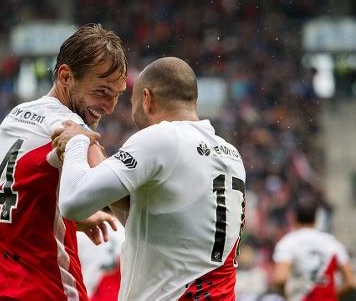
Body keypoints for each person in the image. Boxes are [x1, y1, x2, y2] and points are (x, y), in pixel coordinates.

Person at [53, 57, 247, 300]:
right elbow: (151, 219)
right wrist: (98, 159)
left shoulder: (162, 137)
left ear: (147, 98)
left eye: (132, 102)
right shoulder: (230, 155)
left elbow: (73, 203)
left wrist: (77, 141)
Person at [0, 23, 127, 300]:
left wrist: (71, 219)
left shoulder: (16, 116)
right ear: (65, 76)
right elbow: (118, 187)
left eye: (117, 95)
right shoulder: (69, 125)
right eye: (101, 92)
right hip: (40, 288)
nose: (110, 107)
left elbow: (22, 187)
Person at [273, 198, 356, 301]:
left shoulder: (287, 243)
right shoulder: (333, 243)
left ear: (294, 218)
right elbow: (351, 282)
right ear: (316, 219)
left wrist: (286, 296)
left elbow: (280, 278)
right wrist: (334, 296)